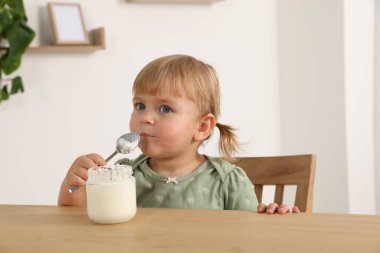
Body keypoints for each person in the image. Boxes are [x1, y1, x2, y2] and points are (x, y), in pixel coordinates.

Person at [58, 54, 298, 214]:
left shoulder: (228, 182)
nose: (146, 117)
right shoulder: (120, 174)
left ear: (202, 127)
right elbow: (77, 221)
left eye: (165, 109)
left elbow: (250, 237)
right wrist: (75, 185)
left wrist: (271, 218)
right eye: (139, 105)